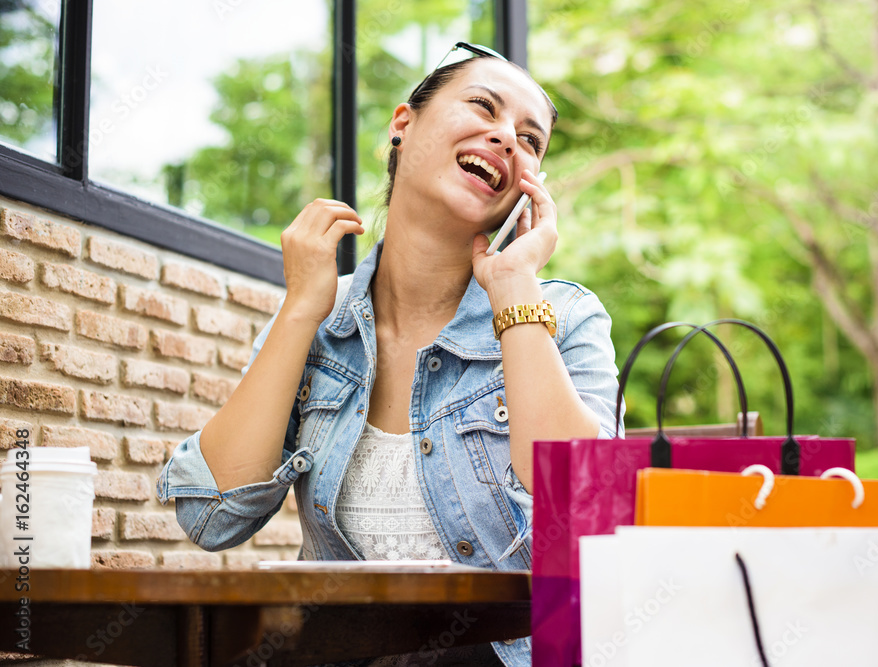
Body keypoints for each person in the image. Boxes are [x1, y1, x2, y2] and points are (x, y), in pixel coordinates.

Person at [157, 42, 622, 666]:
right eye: (483, 105)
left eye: (531, 140)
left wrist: (514, 290)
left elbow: (588, 531)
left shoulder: (562, 318)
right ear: (403, 125)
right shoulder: (322, 314)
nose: (508, 138)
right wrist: (300, 311)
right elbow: (213, 518)